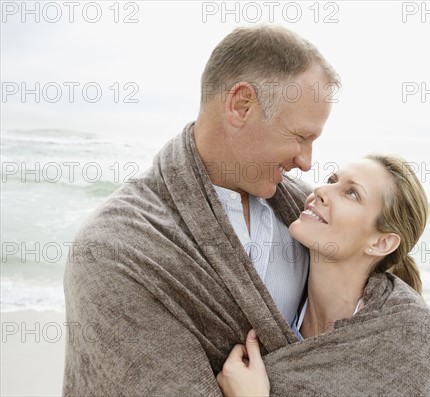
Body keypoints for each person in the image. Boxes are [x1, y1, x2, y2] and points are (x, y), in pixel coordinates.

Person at [62, 25, 339, 395]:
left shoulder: (309, 218)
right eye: (300, 137)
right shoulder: (114, 249)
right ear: (241, 105)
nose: (306, 162)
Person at [216, 155, 430, 396]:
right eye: (331, 180)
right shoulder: (271, 299)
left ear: (381, 242)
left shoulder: (408, 337)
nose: (321, 190)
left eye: (352, 193)